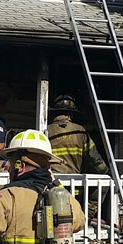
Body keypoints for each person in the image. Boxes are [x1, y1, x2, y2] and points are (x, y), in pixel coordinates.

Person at [46, 94, 110, 228]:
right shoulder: (80, 132)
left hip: (51, 184)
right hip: (74, 188)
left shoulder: (46, 131)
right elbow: (95, 159)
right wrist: (106, 173)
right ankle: (86, 215)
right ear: (70, 114)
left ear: (54, 113)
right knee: (104, 183)